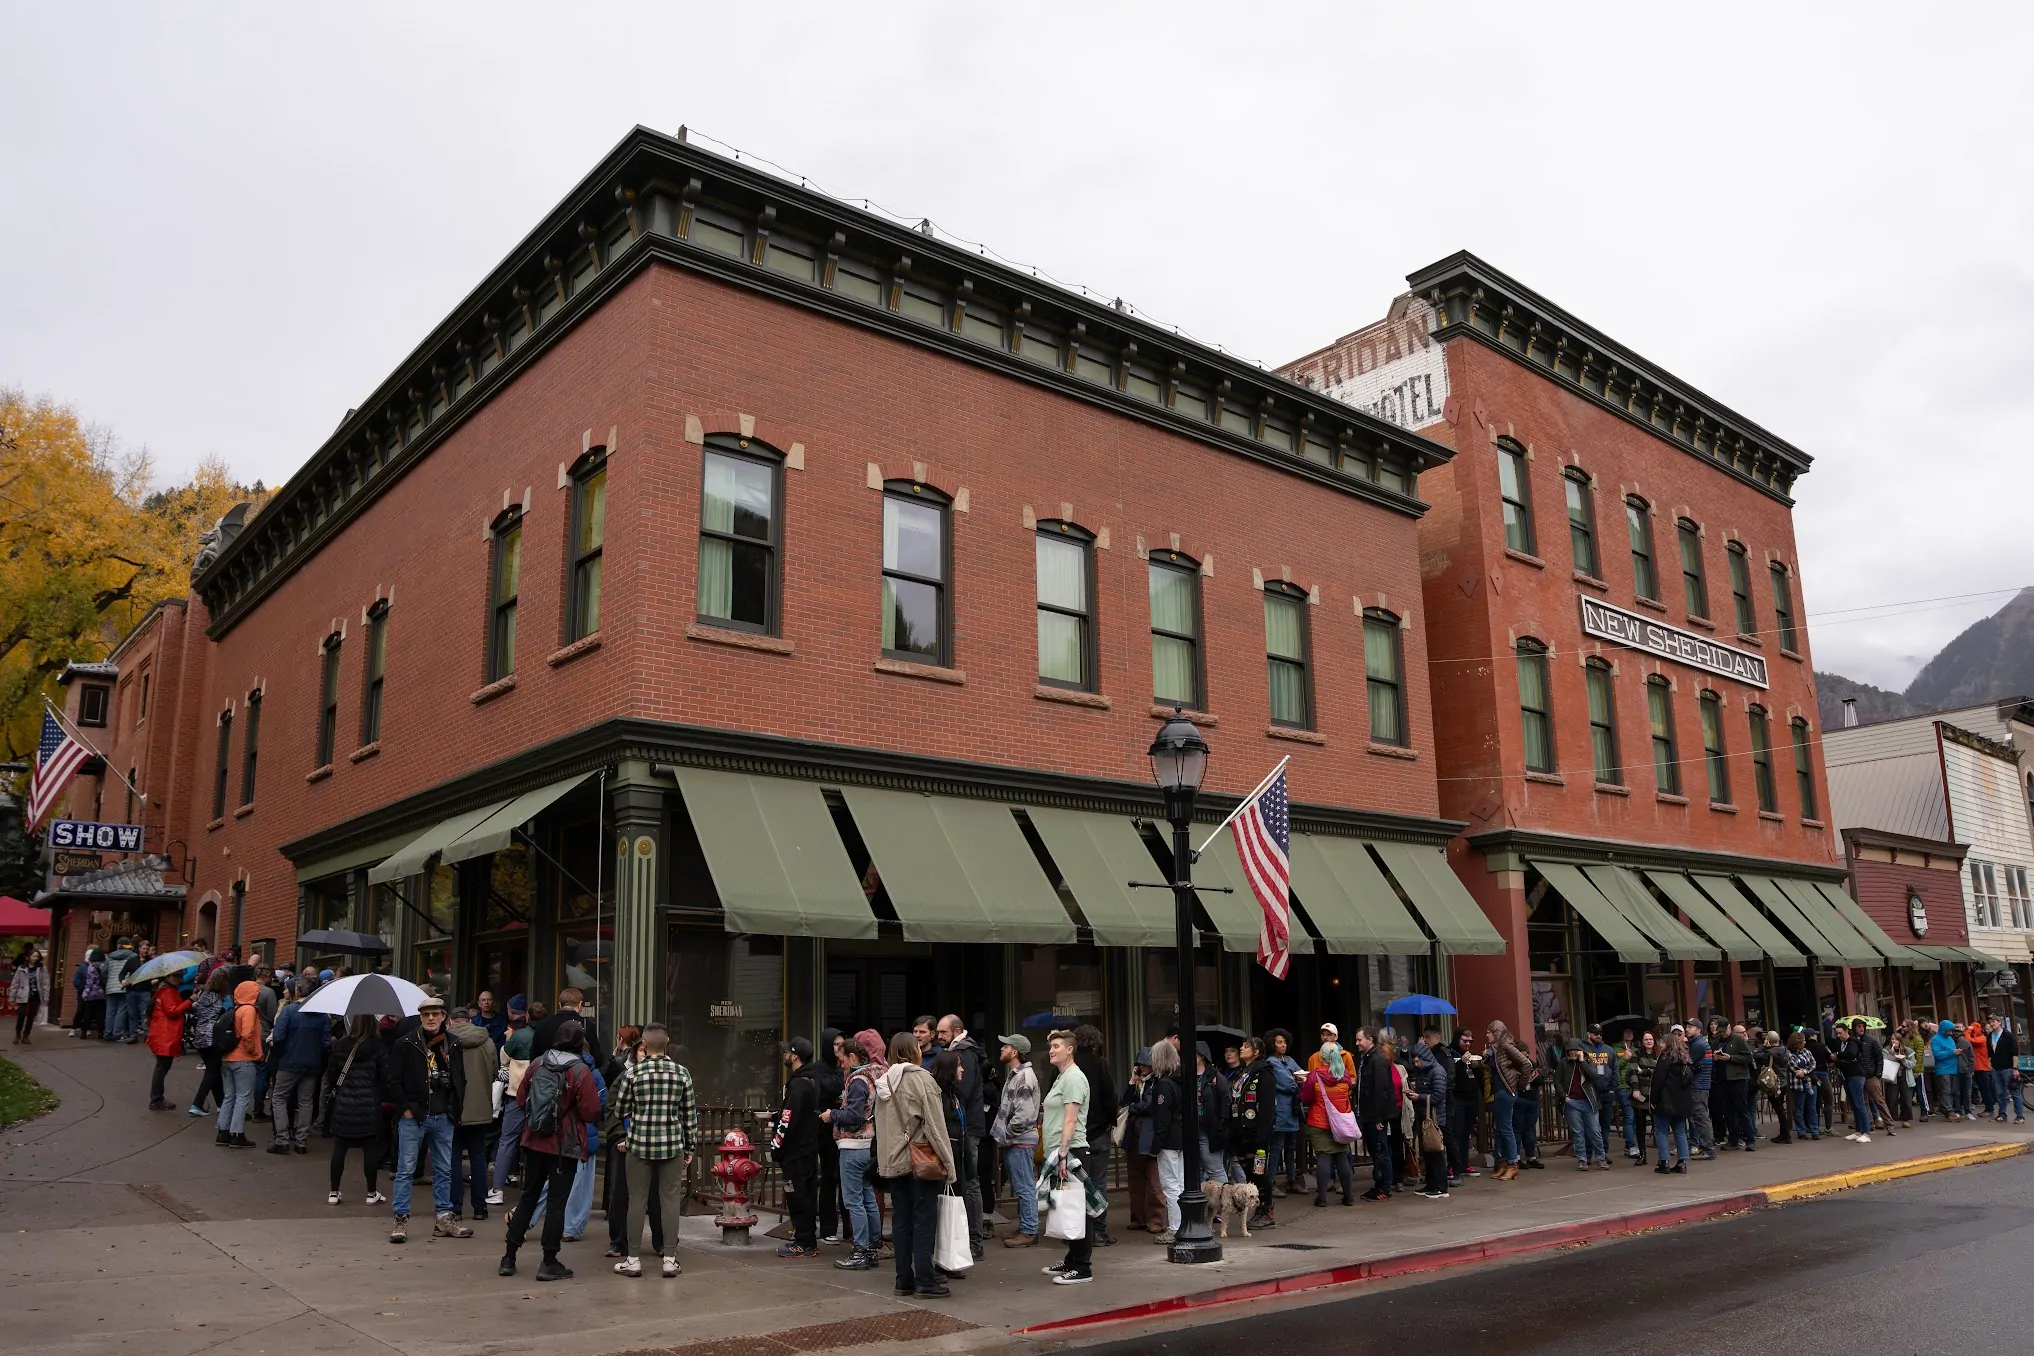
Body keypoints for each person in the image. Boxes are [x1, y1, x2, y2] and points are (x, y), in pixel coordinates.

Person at [501, 1018, 603, 1282]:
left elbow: (522, 1100)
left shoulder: (537, 1063)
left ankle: (509, 1257)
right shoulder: (580, 1071)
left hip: (534, 1141)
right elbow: (591, 1111)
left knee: (528, 1197)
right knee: (557, 1204)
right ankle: (549, 1260)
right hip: (564, 1146)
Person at [610, 1022, 698, 1279]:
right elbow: (689, 1115)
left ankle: (633, 1258)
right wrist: (690, 1147)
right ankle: (670, 1259)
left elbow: (620, 1110)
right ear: (667, 1042)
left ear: (644, 1045)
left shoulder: (633, 1074)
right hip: (672, 1143)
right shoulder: (682, 1073)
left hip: (639, 1144)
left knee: (636, 1201)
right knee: (670, 1200)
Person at [876, 1029, 955, 1296]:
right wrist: (948, 1163)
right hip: (919, 1160)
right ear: (914, 1052)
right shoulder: (922, 1080)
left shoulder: (884, 1082)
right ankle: (925, 1280)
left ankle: (904, 1279)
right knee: (924, 1220)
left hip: (893, 1162)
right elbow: (935, 1126)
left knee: (900, 1221)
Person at [388, 994, 471, 1244]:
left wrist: (454, 1108)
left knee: (444, 1169)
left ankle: (444, 1218)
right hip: (415, 1116)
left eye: (436, 1014)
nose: (431, 1018)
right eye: (426, 1014)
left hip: (443, 1115)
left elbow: (460, 1079)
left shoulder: (453, 1044)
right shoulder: (406, 1043)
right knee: (405, 1170)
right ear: (420, 1017)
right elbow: (392, 1081)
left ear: (444, 1016)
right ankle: (400, 1220)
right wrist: (405, 1108)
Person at [1038, 1029, 1100, 1285]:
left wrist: (1063, 1154)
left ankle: (1082, 1267)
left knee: (1078, 1209)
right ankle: (1072, 1259)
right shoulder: (1062, 1077)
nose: (1051, 1050)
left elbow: (1071, 1119)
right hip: (1063, 1151)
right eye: (1050, 1045)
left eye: (1056, 1046)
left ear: (1070, 1049)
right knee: (1067, 1206)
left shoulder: (1073, 1078)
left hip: (1071, 1151)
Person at [832, 1028, 888, 1268]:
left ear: (853, 1057)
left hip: (853, 1146)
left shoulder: (857, 1080)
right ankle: (873, 1247)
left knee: (854, 1200)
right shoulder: (878, 1074)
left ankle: (861, 1250)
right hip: (869, 1146)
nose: (842, 1064)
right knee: (867, 1198)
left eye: (843, 1059)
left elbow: (854, 1115)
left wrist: (832, 1114)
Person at [936, 1014, 991, 1254]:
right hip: (965, 1127)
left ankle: (973, 1241)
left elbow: (962, 1091)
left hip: (967, 1128)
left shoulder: (965, 1054)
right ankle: (967, 1239)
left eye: (943, 1032)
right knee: (966, 1183)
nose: (939, 1037)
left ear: (957, 1031)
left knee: (969, 1183)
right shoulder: (964, 1051)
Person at [324, 1015, 391, 1207]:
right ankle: (371, 1193)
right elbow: (385, 1075)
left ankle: (333, 1192)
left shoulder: (341, 1045)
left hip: (343, 1104)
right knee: (370, 1149)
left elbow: (331, 1074)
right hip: (369, 1104)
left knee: (340, 1148)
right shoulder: (378, 1046)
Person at [771, 1035, 825, 1259]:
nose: (784, 1056)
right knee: (808, 1195)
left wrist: (776, 1145)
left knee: (797, 1196)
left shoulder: (798, 1084)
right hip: (809, 1148)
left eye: (786, 1052)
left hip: (795, 1151)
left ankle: (804, 1242)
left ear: (794, 1056)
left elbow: (788, 1119)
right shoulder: (812, 1080)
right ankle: (806, 1237)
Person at [265, 981, 331, 1154]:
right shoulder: (322, 1015)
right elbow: (325, 1043)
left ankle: (282, 1139)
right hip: (312, 1063)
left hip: (289, 1061)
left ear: (296, 992)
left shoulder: (289, 1011)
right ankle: (301, 1141)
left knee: (279, 1099)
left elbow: (278, 1037)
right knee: (306, 1102)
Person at [446, 1008, 499, 1220]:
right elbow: (495, 1071)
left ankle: (455, 1208)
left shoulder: (446, 1042)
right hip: (480, 1107)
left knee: (453, 1158)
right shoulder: (486, 1041)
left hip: (453, 1108)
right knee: (478, 1157)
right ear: (470, 1020)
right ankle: (480, 1207)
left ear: (451, 1021)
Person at [991, 1033, 1041, 1247]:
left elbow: (1024, 1115)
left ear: (1015, 1052)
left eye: (1005, 1046)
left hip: (1019, 1141)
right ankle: (1025, 1227)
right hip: (1017, 1141)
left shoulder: (1023, 1077)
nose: (1001, 1049)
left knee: (1024, 1187)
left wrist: (1007, 1135)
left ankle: (1029, 1231)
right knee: (1023, 1186)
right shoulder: (1018, 1075)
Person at [1071, 1025, 1118, 1246]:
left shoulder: (1068, 1064)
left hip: (1073, 1131)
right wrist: (1110, 1121)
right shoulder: (1101, 1065)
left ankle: (1076, 1230)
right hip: (1098, 1131)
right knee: (1098, 1183)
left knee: (1075, 1183)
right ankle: (1098, 1231)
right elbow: (1110, 1098)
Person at [1227, 1037, 1277, 1226]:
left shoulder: (1264, 1073)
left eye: (1247, 1046)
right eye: (1242, 1045)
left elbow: (1266, 1109)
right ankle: (1257, 1209)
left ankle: (1267, 1210)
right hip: (1242, 1134)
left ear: (1257, 1052)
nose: (1241, 1048)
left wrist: (1263, 1137)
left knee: (1259, 1171)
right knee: (1249, 1171)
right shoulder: (1243, 1073)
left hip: (1257, 1134)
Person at [488, 1012, 536, 1206]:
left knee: (507, 1141)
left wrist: (509, 1038)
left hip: (516, 1095)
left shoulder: (518, 1036)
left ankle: (497, 1189)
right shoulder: (550, 1035)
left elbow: (504, 1058)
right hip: (541, 1099)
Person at [1300, 1040, 1357, 1204]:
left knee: (1324, 1157)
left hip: (1319, 1122)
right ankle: (1349, 1197)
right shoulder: (1345, 1075)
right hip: (1340, 1123)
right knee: (1341, 1157)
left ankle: (1322, 1198)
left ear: (1321, 1057)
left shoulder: (1314, 1075)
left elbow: (1306, 1098)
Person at [1144, 1039, 1186, 1242]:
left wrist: (1155, 1146)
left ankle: (1176, 1227)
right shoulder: (1181, 1082)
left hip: (1169, 1141)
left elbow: (1162, 1119)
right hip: (1182, 1139)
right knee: (1182, 1184)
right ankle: (1185, 1224)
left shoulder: (1163, 1085)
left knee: (1170, 1187)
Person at [215, 978, 264, 1147]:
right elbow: (248, 1034)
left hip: (228, 1058)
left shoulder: (235, 1009)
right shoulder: (249, 1010)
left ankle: (223, 1132)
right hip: (244, 1059)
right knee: (242, 1098)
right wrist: (254, 1052)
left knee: (229, 1096)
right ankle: (237, 1134)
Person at [1483, 1020, 1529, 1179]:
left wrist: (1520, 1085)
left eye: (1489, 1032)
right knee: (1501, 1130)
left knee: (1506, 1129)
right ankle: (1502, 1163)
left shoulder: (1506, 1046)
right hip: (1498, 1092)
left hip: (1506, 1092)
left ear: (1496, 1033)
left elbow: (1526, 1063)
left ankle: (1512, 1164)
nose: (1487, 1034)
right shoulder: (1495, 1049)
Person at [1119, 1048, 1158, 1234]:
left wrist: (1132, 1107)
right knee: (1135, 1179)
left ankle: (1156, 1219)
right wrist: (1132, 1081)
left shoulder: (1156, 1082)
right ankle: (1138, 1217)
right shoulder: (1139, 1083)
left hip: (1148, 1134)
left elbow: (1148, 1106)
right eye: (1140, 1064)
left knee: (1153, 1180)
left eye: (1145, 1064)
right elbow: (1123, 1101)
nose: (1142, 1067)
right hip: (1133, 1135)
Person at [1408, 1032, 1451, 1199]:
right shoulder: (1423, 1071)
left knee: (1436, 1152)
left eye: (1418, 1060)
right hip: (1425, 1115)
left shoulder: (1437, 1071)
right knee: (1428, 1152)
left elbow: (1438, 1096)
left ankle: (1441, 1187)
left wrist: (1419, 1097)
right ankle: (1431, 1184)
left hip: (1435, 1117)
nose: (1416, 1063)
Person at [813, 1026, 845, 1247]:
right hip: (824, 1129)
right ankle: (828, 1228)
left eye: (842, 1045)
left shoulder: (847, 1066)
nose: (838, 1049)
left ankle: (850, 1230)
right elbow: (826, 1088)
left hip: (846, 1128)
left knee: (847, 1179)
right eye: (835, 1044)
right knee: (829, 1177)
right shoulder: (819, 1068)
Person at [1559, 1030, 1609, 1170]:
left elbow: (1594, 1076)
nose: (1573, 1053)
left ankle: (1601, 1157)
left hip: (1589, 1102)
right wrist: (1564, 1097)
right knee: (1578, 1132)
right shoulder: (1563, 1063)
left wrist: (1582, 1062)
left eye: (1576, 1050)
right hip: (1572, 1102)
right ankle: (1582, 1160)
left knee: (1595, 1131)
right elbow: (1557, 1082)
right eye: (1571, 1050)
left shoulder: (1587, 1061)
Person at [1264, 1029, 1304, 1196]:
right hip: (1279, 1109)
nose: (1283, 1045)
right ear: (1272, 1043)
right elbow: (1291, 1084)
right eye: (1279, 1042)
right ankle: (1271, 1182)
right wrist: (1297, 1080)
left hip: (1292, 1109)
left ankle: (1291, 1179)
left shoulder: (1288, 1060)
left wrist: (1299, 1080)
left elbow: (1304, 1077)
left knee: (1291, 1146)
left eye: (1284, 1042)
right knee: (1276, 1147)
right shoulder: (1272, 1062)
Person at [1651, 1029, 1695, 1173]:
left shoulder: (1665, 1058)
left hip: (1666, 1100)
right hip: (1681, 1100)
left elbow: (1658, 1081)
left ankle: (1664, 1162)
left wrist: (1653, 1099)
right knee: (1680, 1131)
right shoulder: (1684, 1058)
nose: (1660, 1044)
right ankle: (1682, 1162)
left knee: (1661, 1130)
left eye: (1662, 1042)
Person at [143, 978, 191, 1109]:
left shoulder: (163, 990)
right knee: (162, 1067)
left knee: (161, 1067)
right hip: (165, 1034)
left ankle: (156, 1098)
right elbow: (172, 1011)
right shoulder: (168, 992)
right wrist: (190, 1001)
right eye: (175, 975)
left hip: (163, 1032)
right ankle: (156, 1099)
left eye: (180, 974)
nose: (178, 977)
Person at [1447, 1029, 1483, 1184]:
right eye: (1465, 1041)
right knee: (1457, 1132)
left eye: (1470, 1041)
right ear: (1457, 1040)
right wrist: (1461, 1062)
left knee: (1467, 1133)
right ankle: (1452, 1165)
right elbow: (1451, 1074)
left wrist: (1478, 1066)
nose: (1468, 1044)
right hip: (1457, 1098)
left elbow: (1480, 1076)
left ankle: (1464, 1163)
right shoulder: (1450, 1053)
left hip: (1472, 1097)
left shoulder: (1472, 1055)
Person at [1719, 1022, 1757, 1151]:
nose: (1722, 1033)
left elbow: (1747, 1058)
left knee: (1742, 1110)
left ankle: (1750, 1139)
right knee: (1728, 1112)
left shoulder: (1739, 1040)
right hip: (1724, 1079)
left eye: (1724, 1030)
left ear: (1729, 1028)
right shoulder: (1718, 1042)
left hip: (1739, 1079)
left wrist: (1731, 1058)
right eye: (1719, 1031)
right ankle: (1733, 1139)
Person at [1624, 1030, 1658, 1165]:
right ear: (1642, 1042)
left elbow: (1659, 1072)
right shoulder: (1636, 1054)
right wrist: (1636, 1088)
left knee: (1658, 1126)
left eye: (1651, 1039)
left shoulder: (1659, 1055)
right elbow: (1633, 1072)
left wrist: (1645, 1071)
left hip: (1655, 1096)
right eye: (1646, 1039)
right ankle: (1642, 1154)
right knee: (1640, 1127)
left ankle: (1662, 1156)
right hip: (1640, 1096)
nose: (1649, 1041)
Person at [1987, 1016, 2023, 1123]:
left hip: (2007, 1067)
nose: (1992, 1024)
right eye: (1990, 1022)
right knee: (2000, 1093)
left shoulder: (2007, 1035)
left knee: (2014, 1091)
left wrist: (2015, 1068)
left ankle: (2019, 1115)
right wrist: (1989, 1062)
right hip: (1996, 1068)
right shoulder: (1989, 1036)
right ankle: (2002, 1113)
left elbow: (2014, 1052)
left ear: (1999, 1022)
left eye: (1994, 1022)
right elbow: (1989, 1051)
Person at [101, 937, 136, 1043]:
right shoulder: (132, 956)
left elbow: (104, 973)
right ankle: (117, 1034)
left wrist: (105, 984)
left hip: (110, 987)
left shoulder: (110, 957)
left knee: (110, 1011)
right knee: (121, 1011)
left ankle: (107, 1033)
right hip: (124, 986)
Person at [9, 947, 45, 1045]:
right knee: (21, 1013)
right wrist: (12, 996)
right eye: (33, 956)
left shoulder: (41, 968)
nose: (35, 958)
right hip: (23, 993)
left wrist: (45, 997)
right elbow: (15, 983)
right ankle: (18, 1033)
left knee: (31, 1016)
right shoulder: (21, 968)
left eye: (37, 956)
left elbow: (46, 983)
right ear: (28, 957)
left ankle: (26, 1035)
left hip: (35, 994)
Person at [1929, 1020, 1964, 1120]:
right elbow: (1937, 1054)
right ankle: (1949, 1111)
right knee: (1946, 1090)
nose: (1950, 1033)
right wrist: (1952, 1052)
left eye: (1951, 1031)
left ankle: (1947, 1108)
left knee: (1953, 1090)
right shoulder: (1935, 1039)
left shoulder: (1950, 1039)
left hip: (1953, 1068)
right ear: (1944, 1029)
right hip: (1943, 1069)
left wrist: (1958, 1052)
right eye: (1948, 1030)